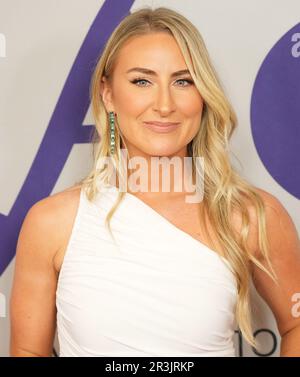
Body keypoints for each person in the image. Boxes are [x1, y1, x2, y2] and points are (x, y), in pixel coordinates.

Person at [10, 6, 300, 357]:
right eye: (142, 81)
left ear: (203, 94)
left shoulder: (252, 214)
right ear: (108, 94)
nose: (164, 104)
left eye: (183, 81)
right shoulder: (51, 223)